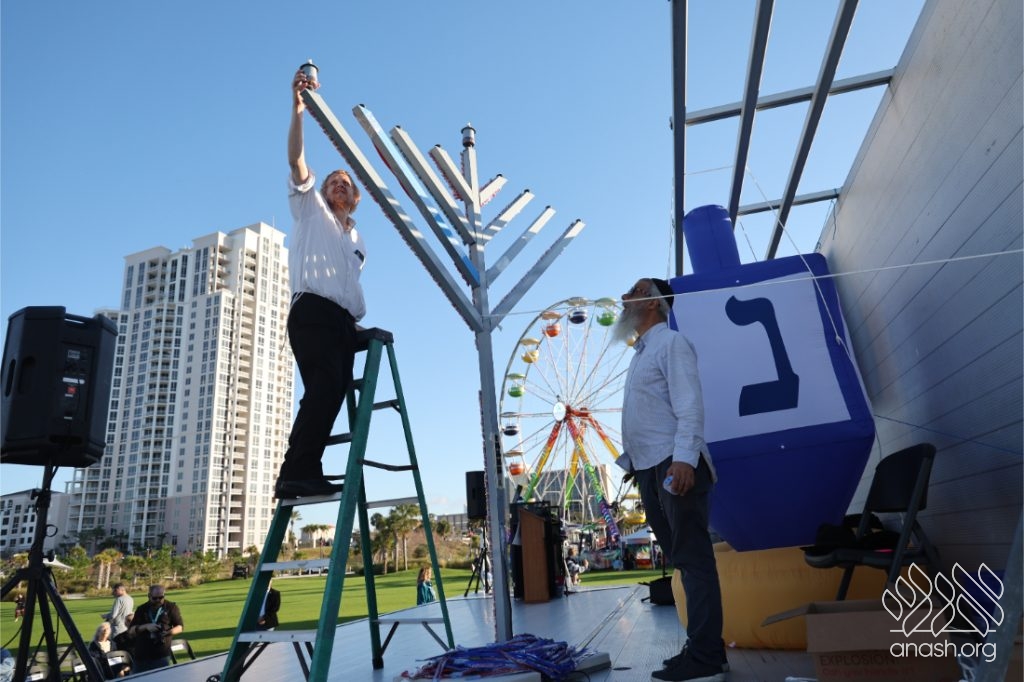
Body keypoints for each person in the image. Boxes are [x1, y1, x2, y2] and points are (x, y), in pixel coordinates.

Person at [617, 277, 727, 682]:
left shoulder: (671, 343)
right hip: (649, 468)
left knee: (694, 560)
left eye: (635, 291)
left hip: (673, 465)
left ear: (652, 303)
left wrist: (683, 460)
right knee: (683, 561)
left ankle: (706, 657)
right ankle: (704, 648)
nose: (625, 296)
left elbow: (689, 404)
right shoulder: (640, 354)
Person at [274, 65, 367, 499]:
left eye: (344, 183)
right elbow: (297, 162)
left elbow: (348, 286)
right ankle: (295, 472)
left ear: (355, 197)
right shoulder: (310, 210)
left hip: (343, 322)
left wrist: (356, 325)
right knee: (324, 386)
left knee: (331, 393)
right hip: (312, 311)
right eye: (331, 181)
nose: (337, 186)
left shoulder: (357, 239)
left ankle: (304, 469)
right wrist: (298, 109)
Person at [128, 585, 184, 672]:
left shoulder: (171, 607)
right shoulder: (141, 609)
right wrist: (146, 627)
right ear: (149, 596)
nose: (158, 600)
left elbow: (180, 627)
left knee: (161, 677)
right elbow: (131, 631)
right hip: (142, 654)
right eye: (155, 598)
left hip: (161, 654)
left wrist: (168, 632)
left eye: (161, 597)